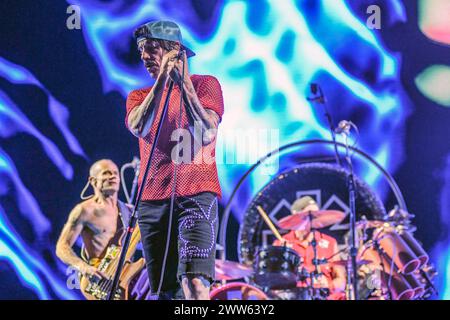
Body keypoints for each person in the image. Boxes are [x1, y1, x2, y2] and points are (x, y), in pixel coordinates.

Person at [125, 20, 224, 300]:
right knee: (165, 291)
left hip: (196, 196)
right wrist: (161, 84)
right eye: (141, 51)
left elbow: (207, 132)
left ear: (175, 52)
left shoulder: (206, 86)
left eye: (151, 49)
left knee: (193, 282)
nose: (144, 57)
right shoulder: (139, 96)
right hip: (151, 200)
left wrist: (183, 84)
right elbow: (138, 127)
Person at [55, 159, 134, 286]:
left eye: (115, 173)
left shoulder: (130, 212)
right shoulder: (84, 210)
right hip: (100, 280)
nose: (112, 176)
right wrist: (83, 267)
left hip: (127, 278)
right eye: (106, 173)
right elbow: (62, 246)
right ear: (93, 181)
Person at [273, 196, 347, 300]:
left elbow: (341, 280)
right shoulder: (282, 244)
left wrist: (330, 285)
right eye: (308, 216)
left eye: (315, 215)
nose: (312, 219)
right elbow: (274, 284)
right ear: (295, 217)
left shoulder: (329, 242)